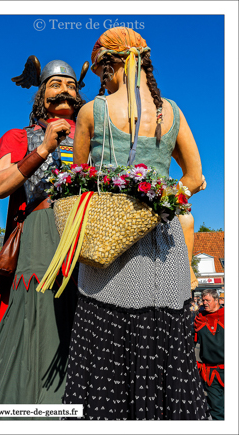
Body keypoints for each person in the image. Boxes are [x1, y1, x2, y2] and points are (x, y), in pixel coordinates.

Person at [62, 27, 210, 420]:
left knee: (104, 352)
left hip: (110, 251)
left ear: (114, 64)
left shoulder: (91, 111)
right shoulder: (173, 112)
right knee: (168, 350)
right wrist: (159, 199)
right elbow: (195, 177)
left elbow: (78, 184)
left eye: (102, 71)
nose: (101, 79)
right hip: (165, 246)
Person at [0, 57, 88, 412]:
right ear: (40, 96)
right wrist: (44, 148)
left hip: (86, 233)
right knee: (39, 315)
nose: (65, 90)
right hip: (41, 231)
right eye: (55, 84)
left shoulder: (92, 137)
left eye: (71, 85)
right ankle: (32, 406)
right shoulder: (19, 136)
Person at [194, 289, 224, 420]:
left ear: (216, 300)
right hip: (210, 371)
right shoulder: (200, 318)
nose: (204, 303)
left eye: (208, 300)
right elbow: (191, 344)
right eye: (203, 300)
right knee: (216, 408)